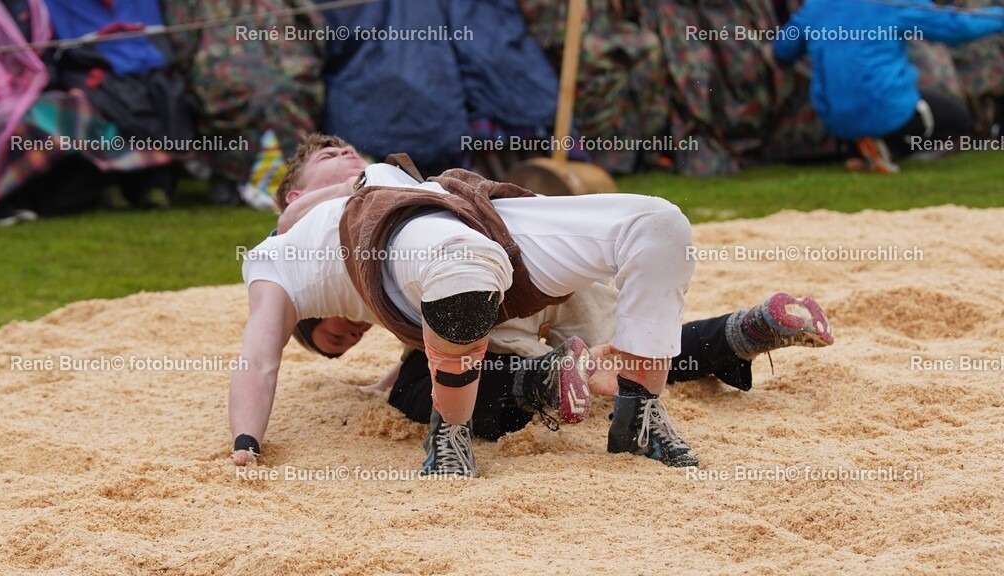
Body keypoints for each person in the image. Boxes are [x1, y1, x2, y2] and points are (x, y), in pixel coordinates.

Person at [230, 133, 698, 475]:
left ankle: (639, 412)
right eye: (328, 155)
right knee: (466, 263)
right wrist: (246, 441)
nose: (345, 153)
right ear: (295, 194)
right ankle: (450, 436)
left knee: (659, 222)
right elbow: (259, 358)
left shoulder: (392, 176)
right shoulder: (281, 249)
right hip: (415, 246)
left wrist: (373, 176)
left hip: (475, 211)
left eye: (348, 149)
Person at [292, 282, 834, 442]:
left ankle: (539, 385)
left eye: (331, 333)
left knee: (422, 390)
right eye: (344, 345)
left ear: (313, 312)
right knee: (633, 354)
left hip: (498, 310)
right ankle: (747, 329)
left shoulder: (341, 271)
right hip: (568, 281)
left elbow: (429, 347)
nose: (348, 334)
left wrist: (389, 382)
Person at [773, 0, 1004, 172]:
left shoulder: (815, 6)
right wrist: (998, 16)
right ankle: (893, 150)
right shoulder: (892, 2)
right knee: (957, 118)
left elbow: (783, 49)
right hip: (886, 112)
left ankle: (862, 149)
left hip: (835, 120)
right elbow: (956, 28)